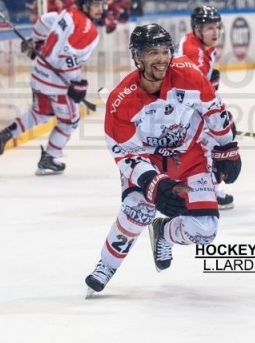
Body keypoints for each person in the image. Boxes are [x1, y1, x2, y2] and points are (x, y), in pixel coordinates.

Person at [84, 23, 241, 296]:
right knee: (137, 210)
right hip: (149, 159)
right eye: (152, 52)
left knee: (205, 231)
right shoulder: (121, 101)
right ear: (137, 58)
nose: (161, 58)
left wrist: (227, 146)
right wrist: (153, 183)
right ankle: (107, 265)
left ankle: (164, 231)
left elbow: (214, 108)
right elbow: (127, 153)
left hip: (189, 156)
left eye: (165, 50)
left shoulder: (188, 74)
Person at [0, 0, 106, 175]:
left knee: (40, 114)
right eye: (96, 4)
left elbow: (43, 22)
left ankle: (6, 134)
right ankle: (49, 158)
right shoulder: (88, 29)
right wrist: (77, 82)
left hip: (39, 75)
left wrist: (36, 43)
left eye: (102, 4)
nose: (100, 8)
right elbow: (66, 57)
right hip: (58, 85)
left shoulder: (65, 13)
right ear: (85, 5)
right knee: (70, 122)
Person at [176, 5, 234, 209]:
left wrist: (211, 80)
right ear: (197, 29)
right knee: (213, 141)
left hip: (185, 105)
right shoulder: (194, 53)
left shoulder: (199, 43)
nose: (215, 32)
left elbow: (201, 86)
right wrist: (220, 118)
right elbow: (199, 93)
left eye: (216, 27)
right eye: (209, 28)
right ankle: (209, 191)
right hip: (183, 109)